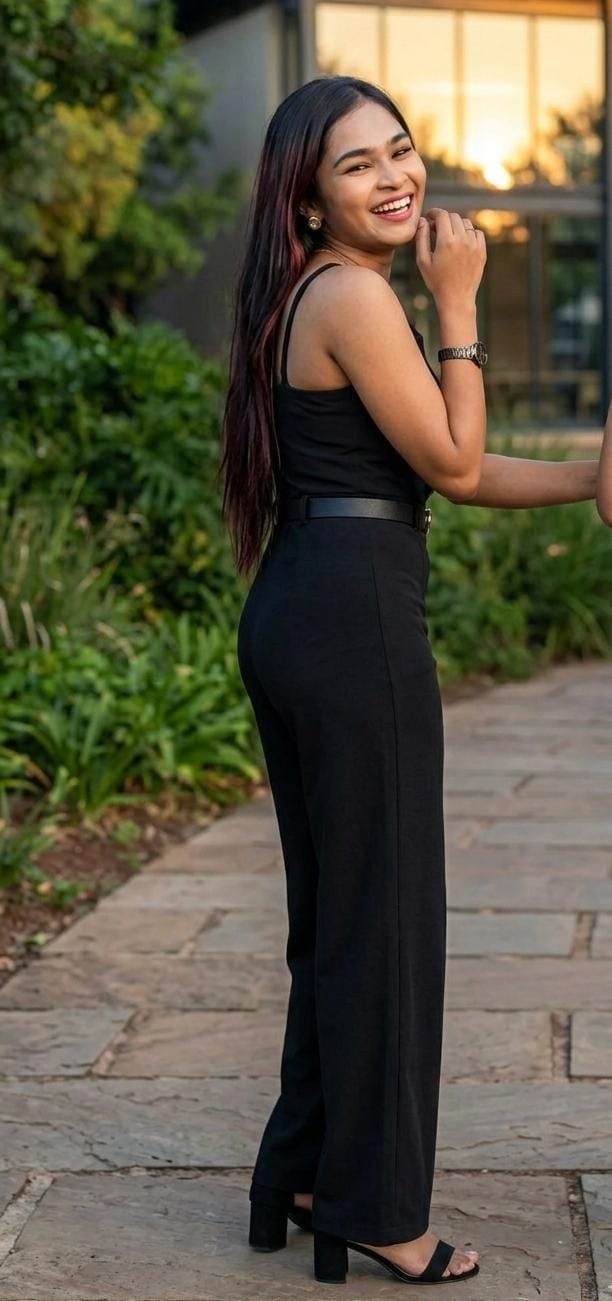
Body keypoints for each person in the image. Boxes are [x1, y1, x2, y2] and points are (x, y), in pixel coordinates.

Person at [219, 74, 607, 1287]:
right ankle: (381, 1208)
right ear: (308, 199)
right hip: (354, 620)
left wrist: (588, 476)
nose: (395, 177)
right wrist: (460, 305)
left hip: (308, 601)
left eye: (399, 149)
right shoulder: (356, 294)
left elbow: (459, 471)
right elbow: (450, 454)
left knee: (340, 919)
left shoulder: (316, 292)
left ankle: (301, 1173)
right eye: (357, 164)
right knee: (388, 921)